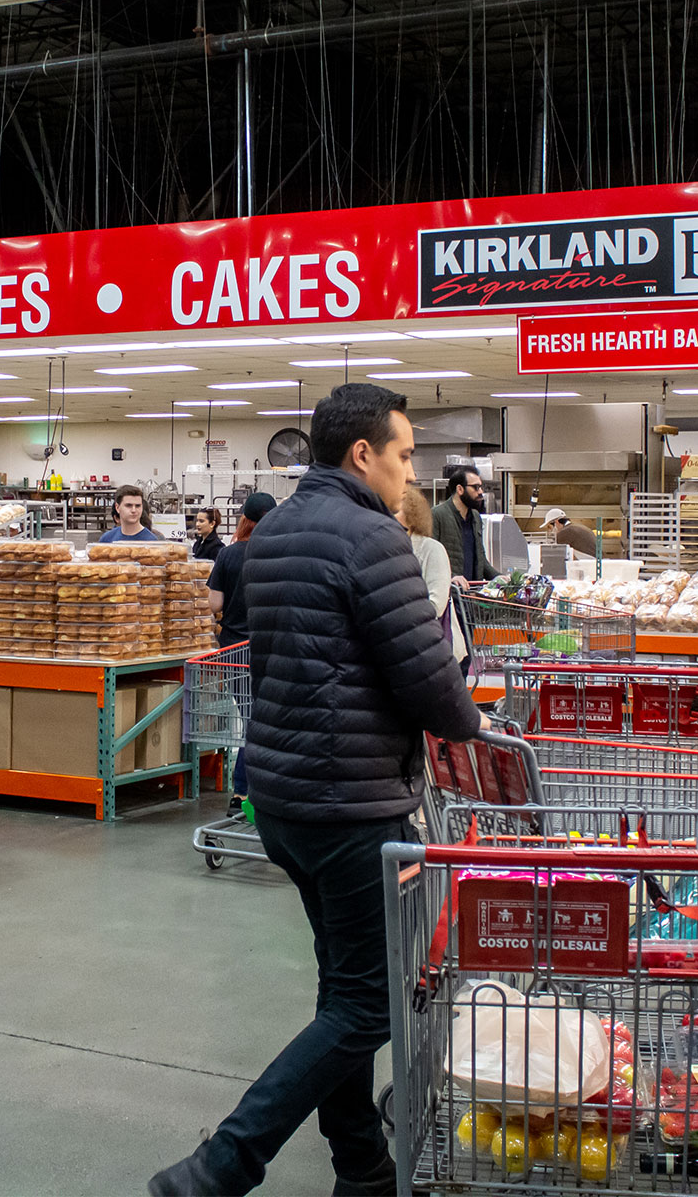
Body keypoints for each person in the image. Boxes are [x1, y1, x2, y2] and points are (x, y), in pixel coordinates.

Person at [149, 383, 488, 1197]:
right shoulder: (373, 540)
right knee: (369, 1009)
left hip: (285, 799)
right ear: (363, 453)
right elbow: (428, 682)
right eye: (405, 455)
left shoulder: (275, 534)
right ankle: (220, 1167)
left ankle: (361, 1169)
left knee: (344, 989)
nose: (412, 474)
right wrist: (472, 720)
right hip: (353, 801)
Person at [206, 492, 277, 811]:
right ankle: (250, 791)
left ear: (244, 519)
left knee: (250, 720)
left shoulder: (229, 555)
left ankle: (243, 792)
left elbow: (214, 604)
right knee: (265, 722)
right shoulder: (281, 554)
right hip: (271, 649)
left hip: (234, 649)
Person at [396, 485, 462, 662]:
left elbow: (436, 605)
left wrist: (398, 621)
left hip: (435, 652)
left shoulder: (431, 549)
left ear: (412, 516)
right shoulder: (387, 551)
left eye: (395, 509)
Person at [431, 465, 498, 586]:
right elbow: (430, 557)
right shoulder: (437, 514)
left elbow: (480, 558)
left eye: (481, 487)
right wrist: (451, 577)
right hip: (450, 593)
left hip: (470, 594)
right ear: (460, 489)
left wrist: (498, 577)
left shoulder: (475, 516)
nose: (480, 492)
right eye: (476, 487)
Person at [96, 484, 162, 543]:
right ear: (117, 508)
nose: (134, 510)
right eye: (128, 505)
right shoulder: (107, 539)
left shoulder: (151, 541)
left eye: (138, 506)